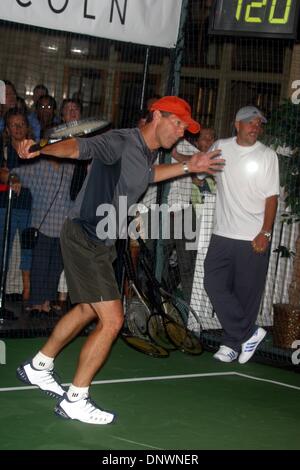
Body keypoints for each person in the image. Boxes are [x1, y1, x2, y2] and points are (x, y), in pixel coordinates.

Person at [16, 96, 224, 425]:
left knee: (87, 309)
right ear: (157, 116)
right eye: (178, 123)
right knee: (113, 320)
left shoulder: (147, 152)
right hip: (86, 234)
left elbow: (148, 175)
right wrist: (39, 149)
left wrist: (188, 166)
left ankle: (39, 366)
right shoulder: (120, 141)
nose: (182, 132)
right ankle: (76, 398)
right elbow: (76, 149)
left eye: (186, 127)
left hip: (101, 239)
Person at [203, 106, 279, 364]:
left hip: (252, 236)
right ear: (237, 124)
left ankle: (232, 343)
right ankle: (248, 333)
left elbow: (272, 198)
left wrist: (264, 232)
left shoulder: (267, 156)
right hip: (222, 233)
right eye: (250, 122)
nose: (255, 127)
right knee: (213, 283)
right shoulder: (220, 146)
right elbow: (206, 171)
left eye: (259, 123)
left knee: (246, 294)